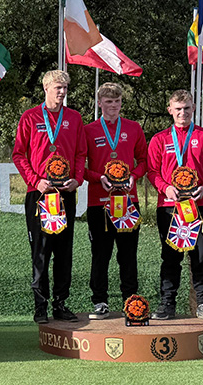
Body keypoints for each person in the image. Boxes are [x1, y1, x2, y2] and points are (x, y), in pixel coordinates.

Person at [12, 70, 86, 324]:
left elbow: (80, 153)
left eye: (65, 88)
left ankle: (61, 304)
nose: (62, 92)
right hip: (40, 194)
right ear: (46, 88)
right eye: (58, 87)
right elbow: (18, 154)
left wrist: (77, 179)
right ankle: (40, 305)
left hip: (65, 193)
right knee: (41, 251)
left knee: (64, 252)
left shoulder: (74, 118)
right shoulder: (30, 117)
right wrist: (35, 181)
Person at [147, 90, 203, 322]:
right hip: (169, 206)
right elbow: (152, 172)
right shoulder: (159, 139)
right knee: (170, 256)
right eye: (178, 109)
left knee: (200, 255)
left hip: (200, 205)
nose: (183, 113)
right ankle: (167, 304)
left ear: (194, 109)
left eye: (187, 108)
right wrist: (165, 188)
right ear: (170, 110)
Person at [83, 83, 147, 319]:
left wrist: (133, 176)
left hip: (128, 201)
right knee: (101, 254)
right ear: (100, 103)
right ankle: (100, 301)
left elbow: (144, 161)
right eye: (109, 101)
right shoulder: (88, 130)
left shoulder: (133, 128)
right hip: (99, 202)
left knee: (128, 254)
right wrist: (98, 177)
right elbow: (80, 166)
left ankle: (131, 301)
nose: (113, 106)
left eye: (117, 101)